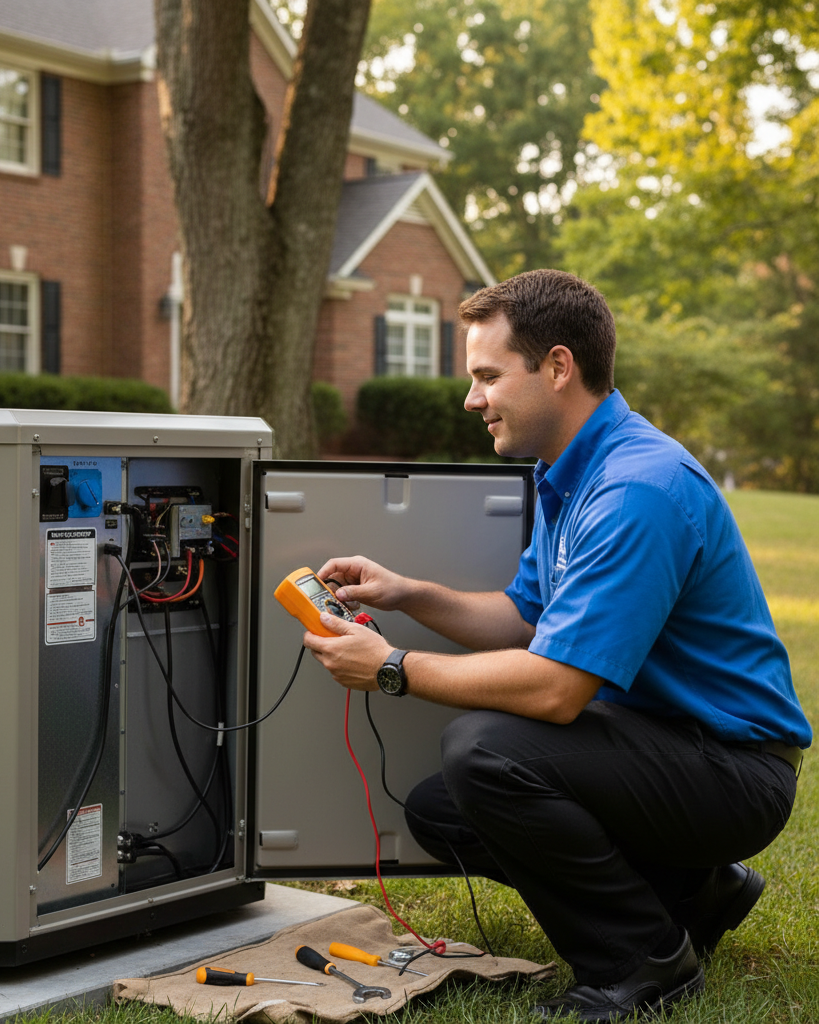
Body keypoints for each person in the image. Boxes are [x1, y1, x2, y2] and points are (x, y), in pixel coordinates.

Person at [302, 269, 811, 1023]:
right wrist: (407, 593)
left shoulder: (638, 488)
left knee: (484, 750)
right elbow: (521, 616)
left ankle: (643, 963)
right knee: (443, 811)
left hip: (734, 768)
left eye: (487, 375)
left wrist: (394, 670)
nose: (472, 398)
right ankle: (697, 894)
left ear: (559, 366)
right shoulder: (566, 472)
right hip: (663, 742)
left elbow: (555, 689)